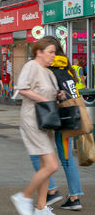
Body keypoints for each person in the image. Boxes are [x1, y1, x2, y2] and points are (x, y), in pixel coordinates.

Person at [30, 36, 83, 211]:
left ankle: (53, 191)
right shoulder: (67, 69)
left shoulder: (50, 69)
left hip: (55, 118)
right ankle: (74, 196)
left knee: (38, 154)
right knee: (66, 159)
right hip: (71, 118)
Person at [11, 38, 63, 215]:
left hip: (46, 120)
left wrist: (59, 95)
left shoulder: (47, 72)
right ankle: (24, 196)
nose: (53, 56)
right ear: (39, 52)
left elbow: (50, 93)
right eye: (50, 52)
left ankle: (41, 208)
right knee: (51, 165)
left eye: (54, 52)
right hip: (33, 119)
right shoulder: (31, 66)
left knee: (45, 166)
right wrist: (45, 99)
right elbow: (22, 88)